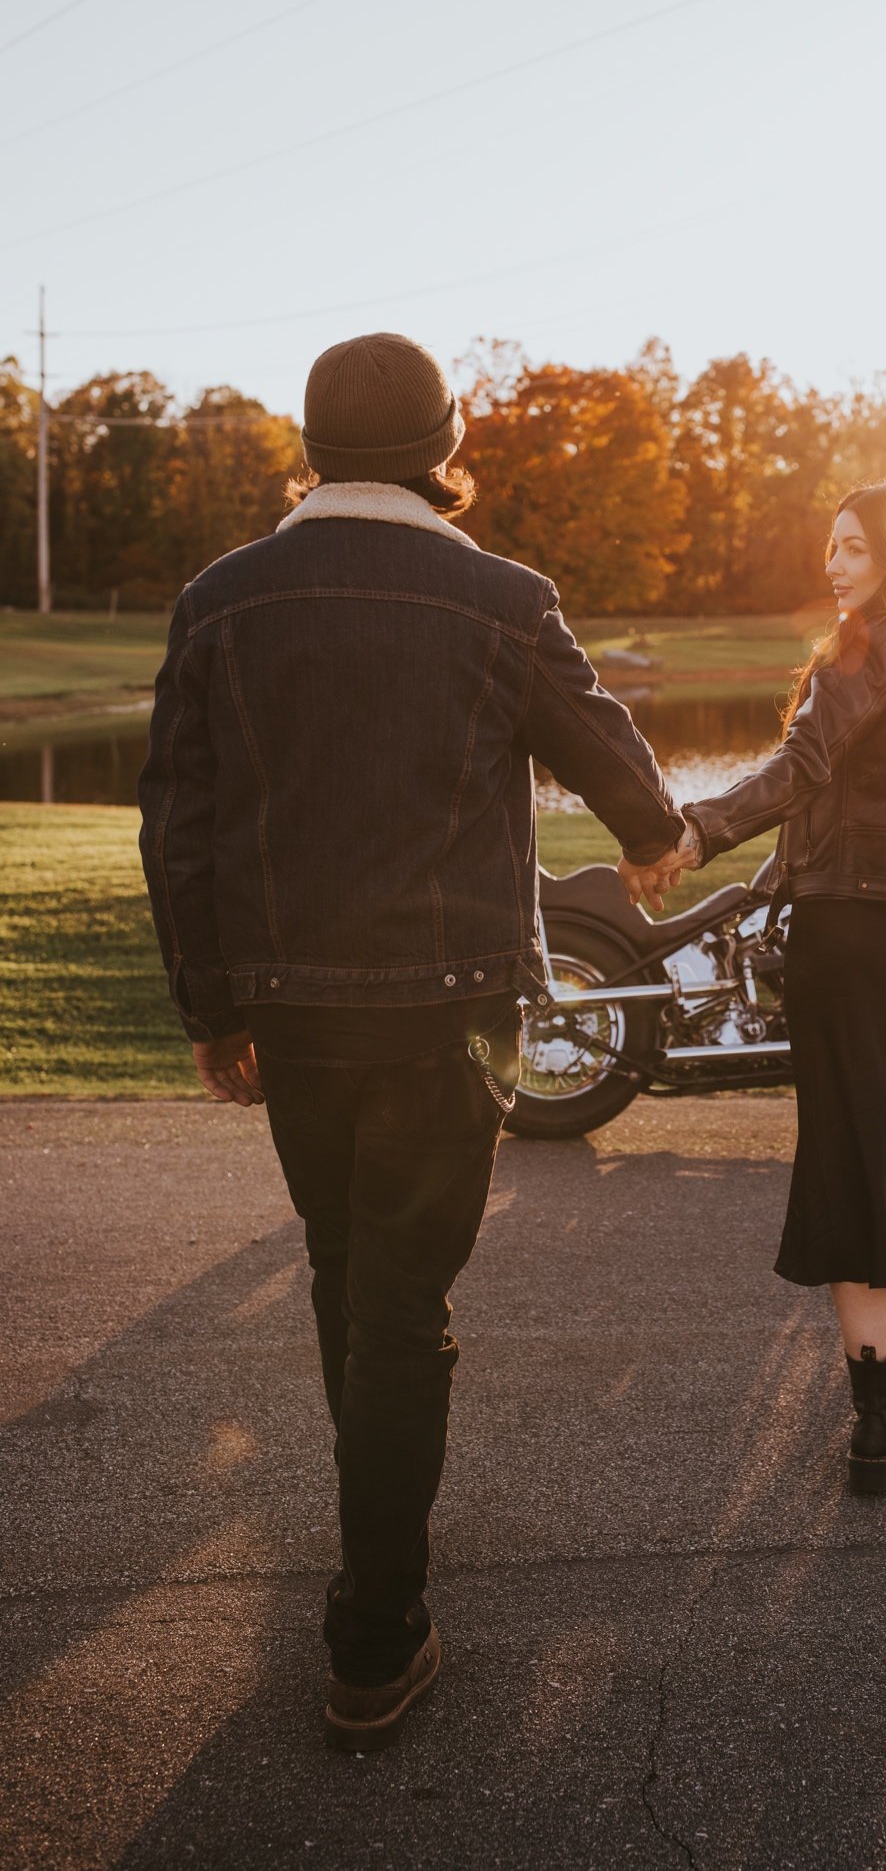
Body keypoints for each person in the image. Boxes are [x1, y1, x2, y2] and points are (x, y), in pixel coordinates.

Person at [138, 332, 687, 1752]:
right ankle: (374, 1626)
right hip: (455, 1011)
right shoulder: (502, 595)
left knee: (344, 1268)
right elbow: (612, 757)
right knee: (400, 1303)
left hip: (292, 1008)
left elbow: (176, 822)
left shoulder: (222, 598)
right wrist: (655, 836)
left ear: (308, 449)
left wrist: (213, 1007)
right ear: (447, 447)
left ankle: (369, 1540)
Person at [666, 481, 886, 1493]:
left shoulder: (868, 644)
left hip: (851, 936)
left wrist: (696, 829)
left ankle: (878, 1426)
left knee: (851, 1151)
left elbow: (802, 764)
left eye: (855, 550)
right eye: (831, 550)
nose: (835, 569)